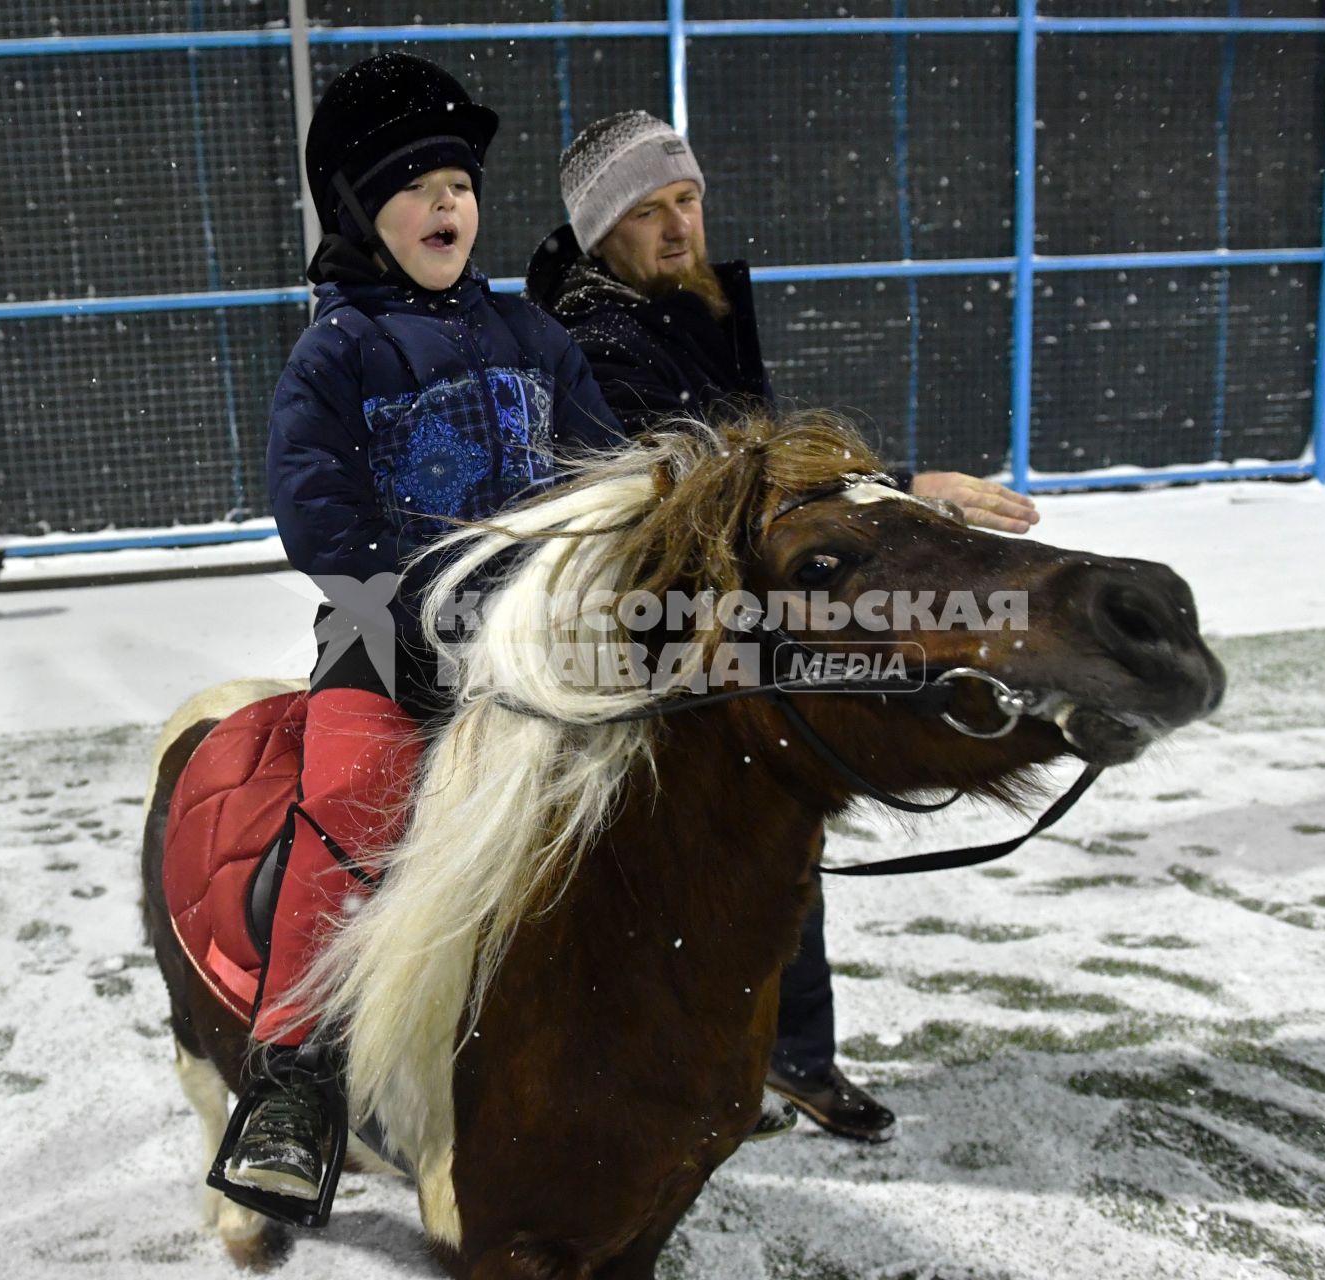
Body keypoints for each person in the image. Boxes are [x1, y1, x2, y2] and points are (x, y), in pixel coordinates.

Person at [527, 110, 1042, 1144]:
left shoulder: (694, 305)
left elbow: (762, 468)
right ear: (598, 234)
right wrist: (899, 493)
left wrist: (897, 494)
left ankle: (787, 1056)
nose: (678, 226)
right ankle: (697, 1063)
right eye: (645, 211)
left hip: (730, 622)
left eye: (686, 198)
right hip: (653, 637)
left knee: (772, 848)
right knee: (708, 863)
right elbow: (700, 487)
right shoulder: (594, 337)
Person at [225, 51, 622, 1214]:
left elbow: (597, 475)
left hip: (531, 645)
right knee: (349, 796)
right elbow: (318, 510)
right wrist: (408, 616)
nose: (445, 203)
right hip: (379, 641)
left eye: (458, 182)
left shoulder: (533, 338)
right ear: (356, 211)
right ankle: (293, 1075)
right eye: (412, 185)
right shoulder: (336, 351)